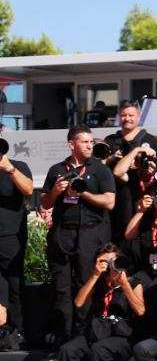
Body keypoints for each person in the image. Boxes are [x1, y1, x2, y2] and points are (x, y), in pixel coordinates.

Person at [42, 126, 117, 340]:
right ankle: (63, 335)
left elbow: (109, 202)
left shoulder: (100, 169)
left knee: (86, 282)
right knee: (61, 287)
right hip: (63, 232)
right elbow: (45, 202)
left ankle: (84, 334)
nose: (90, 146)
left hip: (91, 234)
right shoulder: (57, 169)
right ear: (71, 144)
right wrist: (56, 191)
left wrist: (83, 193)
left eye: (91, 142)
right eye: (85, 142)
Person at [58, 244, 143, 361]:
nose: (109, 265)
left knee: (99, 350)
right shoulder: (97, 282)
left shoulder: (133, 283)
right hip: (97, 332)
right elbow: (79, 302)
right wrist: (95, 275)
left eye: (111, 261)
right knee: (67, 350)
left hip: (122, 336)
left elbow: (140, 310)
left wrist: (124, 285)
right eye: (104, 261)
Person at [105, 99, 157, 236]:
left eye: (131, 115)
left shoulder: (150, 140)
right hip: (116, 200)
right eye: (123, 115)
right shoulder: (111, 141)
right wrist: (112, 158)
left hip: (142, 199)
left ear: (138, 117)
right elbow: (101, 166)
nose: (127, 119)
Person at [0, 134, 34, 348]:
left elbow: (29, 189)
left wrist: (9, 169)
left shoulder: (18, 165)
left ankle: (19, 330)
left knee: (14, 284)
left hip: (10, 235)